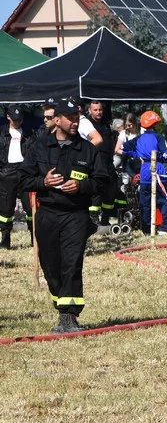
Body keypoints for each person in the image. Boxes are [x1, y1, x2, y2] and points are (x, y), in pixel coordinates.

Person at [18, 99, 108, 332]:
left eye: (77, 117)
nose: (75, 121)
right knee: (51, 266)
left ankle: (68, 316)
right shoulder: (39, 147)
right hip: (47, 214)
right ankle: (61, 302)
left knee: (71, 262)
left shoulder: (87, 149)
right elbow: (23, 179)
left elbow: (102, 181)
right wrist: (43, 182)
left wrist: (81, 187)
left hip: (76, 215)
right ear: (56, 120)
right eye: (70, 117)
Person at [122, 110, 167, 234]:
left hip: (144, 170)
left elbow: (125, 148)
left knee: (145, 202)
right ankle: (165, 228)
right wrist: (161, 157)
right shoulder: (158, 137)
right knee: (165, 199)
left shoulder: (139, 138)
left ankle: (146, 229)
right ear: (155, 124)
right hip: (158, 170)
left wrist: (137, 154)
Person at [78, 101, 118, 225]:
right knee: (96, 191)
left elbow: (111, 140)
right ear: (89, 111)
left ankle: (106, 218)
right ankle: (93, 218)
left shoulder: (105, 123)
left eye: (100, 110)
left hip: (108, 162)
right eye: (95, 110)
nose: (98, 112)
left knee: (111, 190)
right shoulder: (87, 124)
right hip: (95, 162)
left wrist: (112, 155)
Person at [0, 106, 34, 248]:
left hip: (24, 171)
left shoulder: (29, 134)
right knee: (6, 209)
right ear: (8, 117)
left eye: (20, 119)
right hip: (6, 172)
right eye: (15, 119)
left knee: (30, 207)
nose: (17, 122)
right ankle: (5, 238)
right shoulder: (1, 133)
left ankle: (34, 237)